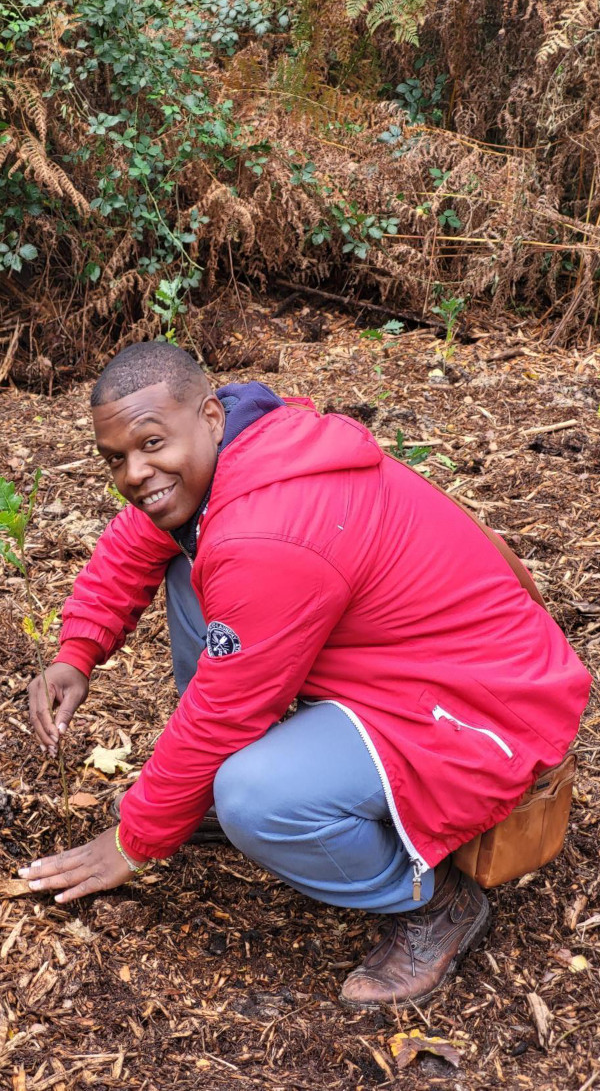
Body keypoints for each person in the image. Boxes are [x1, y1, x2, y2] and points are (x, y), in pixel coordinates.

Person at [21, 341, 591, 1008]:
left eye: (151, 444)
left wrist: (134, 838)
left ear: (209, 416)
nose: (135, 472)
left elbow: (224, 712)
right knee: (184, 560)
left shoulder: (265, 534)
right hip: (401, 665)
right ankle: (217, 795)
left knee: (254, 794)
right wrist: (76, 650)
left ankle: (434, 904)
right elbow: (134, 540)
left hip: (480, 707)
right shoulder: (243, 446)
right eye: (116, 457)